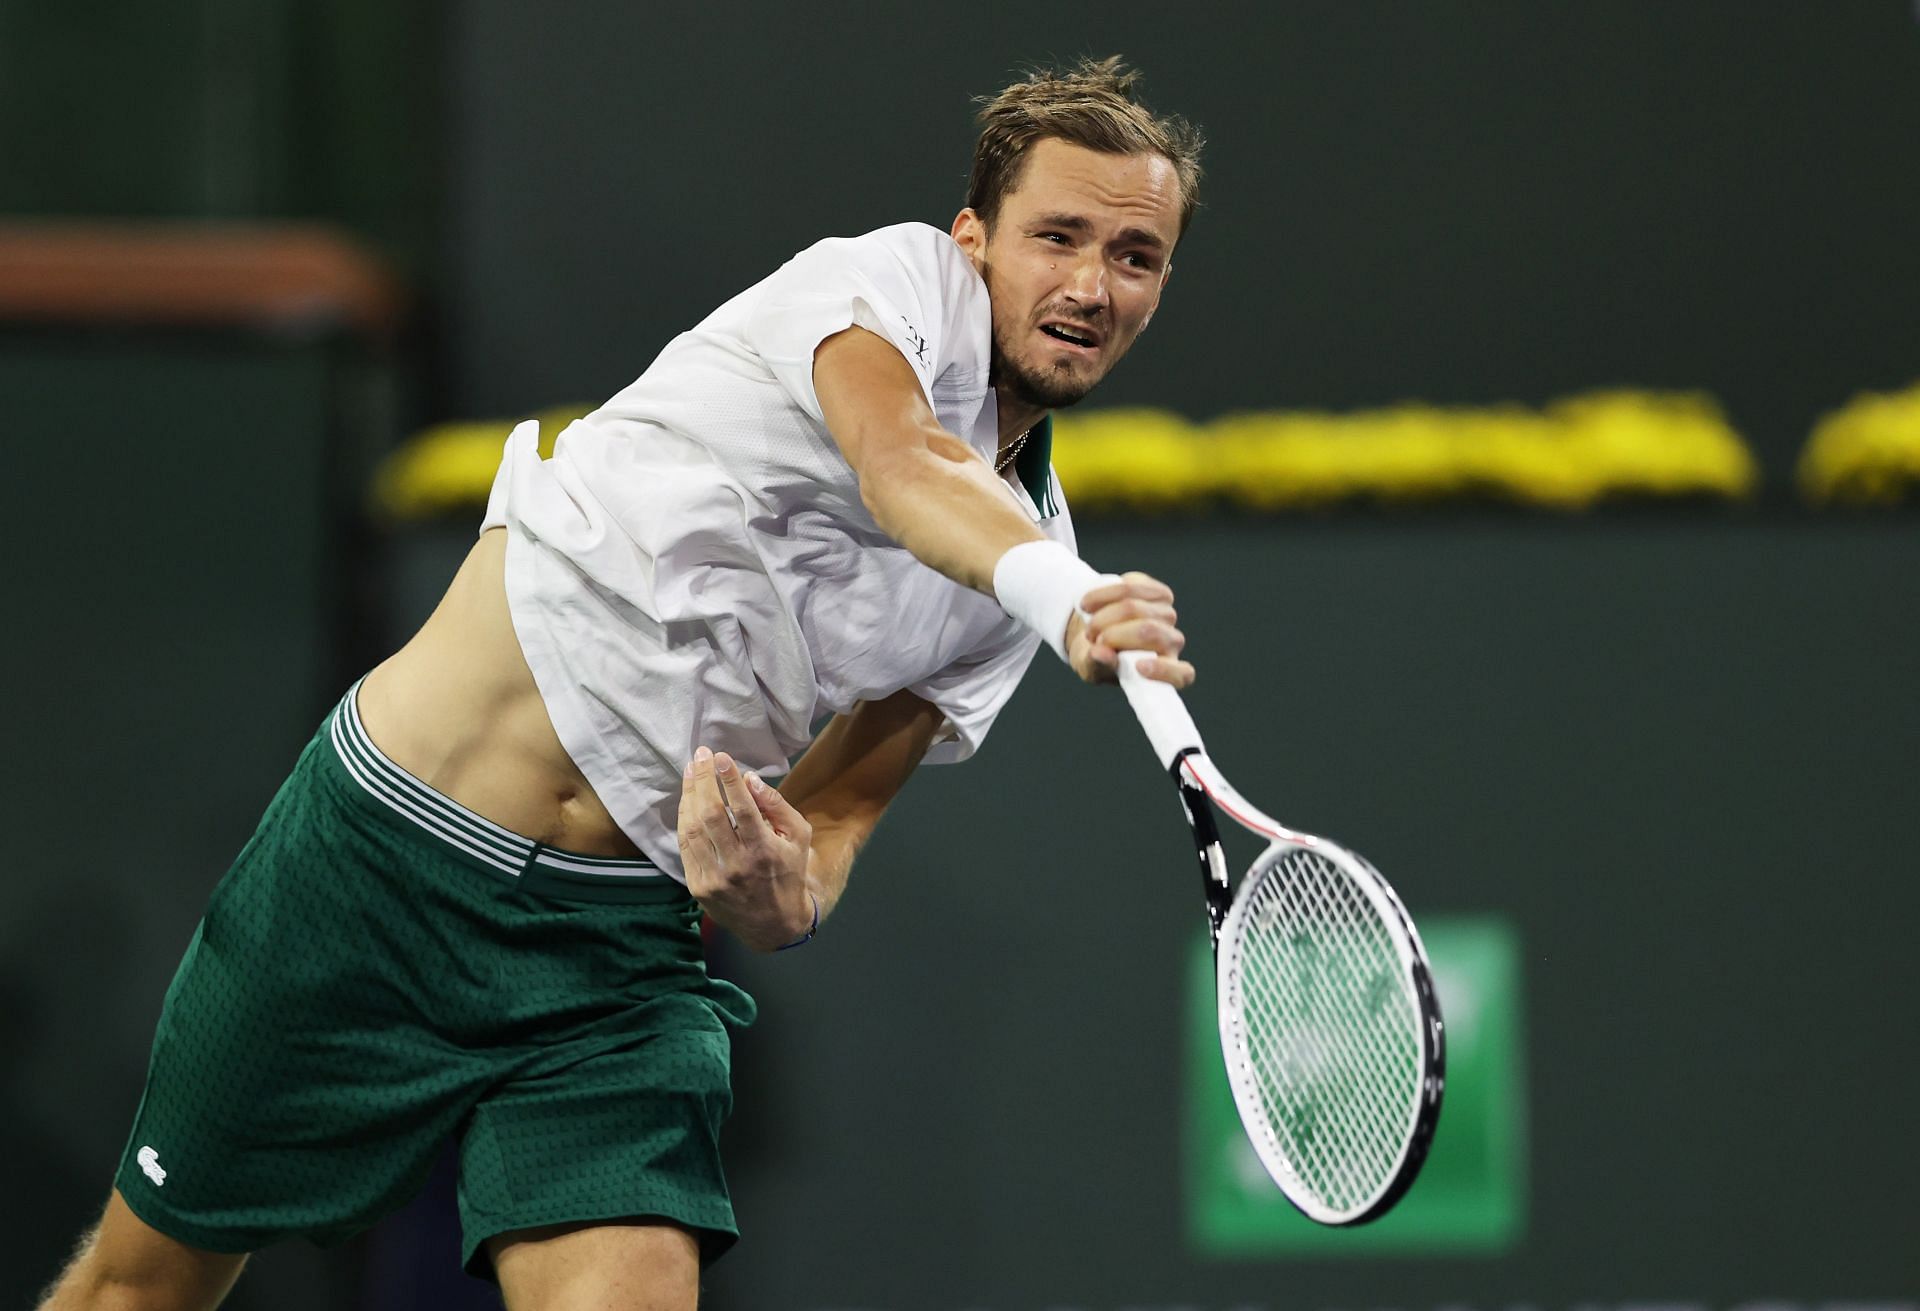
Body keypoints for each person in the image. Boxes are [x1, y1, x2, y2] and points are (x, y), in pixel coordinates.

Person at [39, 54, 1205, 1311]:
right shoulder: (886, 289)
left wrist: (773, 894)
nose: (1091, 284)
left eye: (1134, 257)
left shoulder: (1026, 572)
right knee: (138, 1291)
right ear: (976, 239)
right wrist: (1054, 593)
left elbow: (830, 831)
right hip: (376, 865)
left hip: (611, 963)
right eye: (1059, 238)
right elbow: (903, 464)